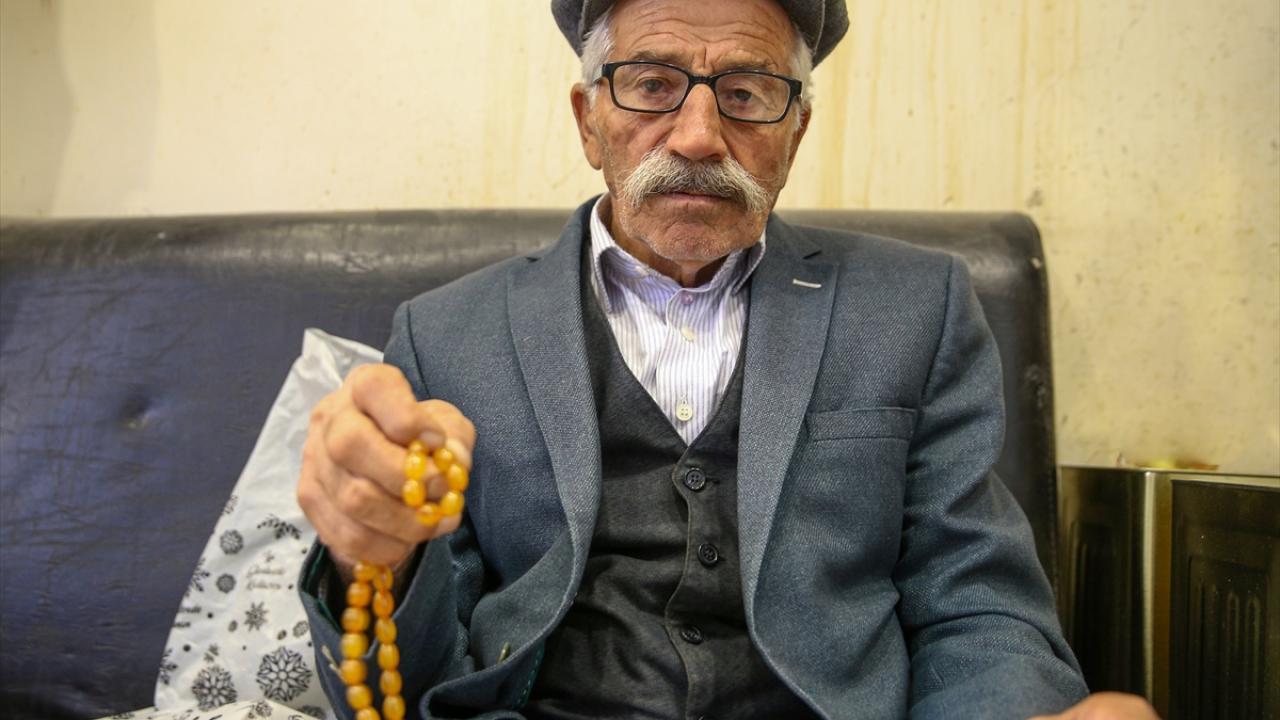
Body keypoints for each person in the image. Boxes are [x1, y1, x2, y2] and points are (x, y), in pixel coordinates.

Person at [297, 1, 1159, 718]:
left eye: (746, 93)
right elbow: (407, 683)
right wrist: (370, 557)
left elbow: (974, 598)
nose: (700, 135)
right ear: (589, 121)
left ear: (797, 130)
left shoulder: (915, 309)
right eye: (652, 85)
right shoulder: (447, 335)